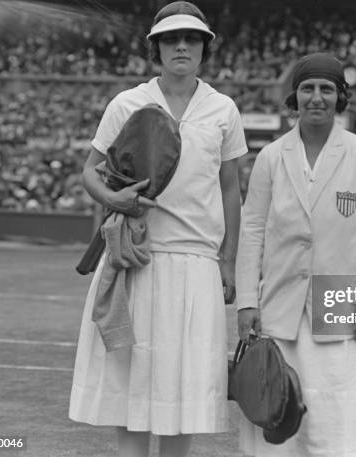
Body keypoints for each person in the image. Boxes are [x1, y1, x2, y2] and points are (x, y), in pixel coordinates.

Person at [68, 3, 247, 457]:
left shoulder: (223, 109)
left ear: (205, 47)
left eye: (191, 38)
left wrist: (228, 260)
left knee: (181, 392)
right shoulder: (127, 103)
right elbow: (91, 171)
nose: (181, 46)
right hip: (135, 259)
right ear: (157, 48)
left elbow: (230, 189)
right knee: (131, 388)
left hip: (197, 263)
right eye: (171, 39)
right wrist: (112, 199)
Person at [236, 53, 356, 457]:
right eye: (308, 88)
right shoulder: (271, 157)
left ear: (340, 97)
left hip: (340, 309)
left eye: (326, 89)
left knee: (336, 422)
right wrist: (247, 301)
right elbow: (252, 231)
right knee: (277, 422)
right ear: (295, 96)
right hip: (279, 308)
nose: (316, 98)